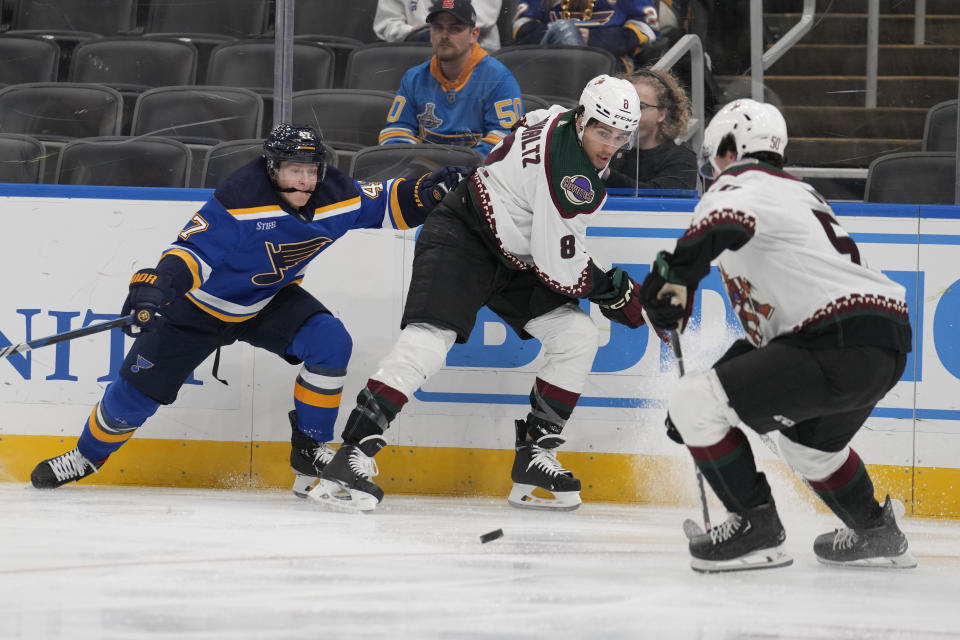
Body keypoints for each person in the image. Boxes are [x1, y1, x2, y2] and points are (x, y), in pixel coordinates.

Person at [30, 124, 467, 497]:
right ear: (273, 169)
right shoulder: (240, 198)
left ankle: (311, 451)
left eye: (311, 171)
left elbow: (389, 204)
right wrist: (158, 291)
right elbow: (189, 254)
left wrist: (430, 192)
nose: (305, 181)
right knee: (134, 396)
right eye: (295, 171)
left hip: (267, 301)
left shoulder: (336, 193)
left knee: (330, 343)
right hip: (197, 309)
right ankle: (85, 457)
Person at [310, 74, 651, 513]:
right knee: (429, 342)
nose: (610, 144)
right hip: (464, 235)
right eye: (603, 132)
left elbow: (524, 131)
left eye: (621, 135)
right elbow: (561, 267)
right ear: (583, 120)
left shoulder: (555, 117)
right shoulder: (572, 178)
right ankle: (350, 455)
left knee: (576, 337)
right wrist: (614, 291)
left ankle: (534, 455)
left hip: (514, 254)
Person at [638, 99, 917, 572]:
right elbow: (779, 338)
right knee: (809, 448)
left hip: (833, 340)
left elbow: (721, 222)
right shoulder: (798, 195)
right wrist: (720, 387)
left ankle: (755, 530)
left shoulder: (742, 182)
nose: (712, 173)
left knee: (693, 401)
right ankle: (875, 530)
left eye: (713, 160)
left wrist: (674, 278)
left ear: (728, 151)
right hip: (882, 345)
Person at [378, 0, 523, 156]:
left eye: (455, 28)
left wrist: (460, 169)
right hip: (424, 173)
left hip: (475, 176)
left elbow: (504, 140)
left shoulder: (499, 79)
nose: (444, 36)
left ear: (474, 34)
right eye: (437, 28)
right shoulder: (413, 78)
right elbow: (395, 132)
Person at [604, 66, 697, 191]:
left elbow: (660, 197)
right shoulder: (608, 149)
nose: (629, 113)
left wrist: (606, 174)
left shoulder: (682, 159)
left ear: (662, 114)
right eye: (626, 106)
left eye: (640, 106)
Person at [512, 1, 662, 73]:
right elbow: (522, 29)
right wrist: (560, 36)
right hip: (549, 67)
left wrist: (592, 38)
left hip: (610, 69)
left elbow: (647, 31)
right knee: (562, 28)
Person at [374, 0, 503, 52]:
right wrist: (410, 32)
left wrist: (435, 29)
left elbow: (483, 18)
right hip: (417, 52)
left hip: (476, 51)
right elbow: (386, 24)